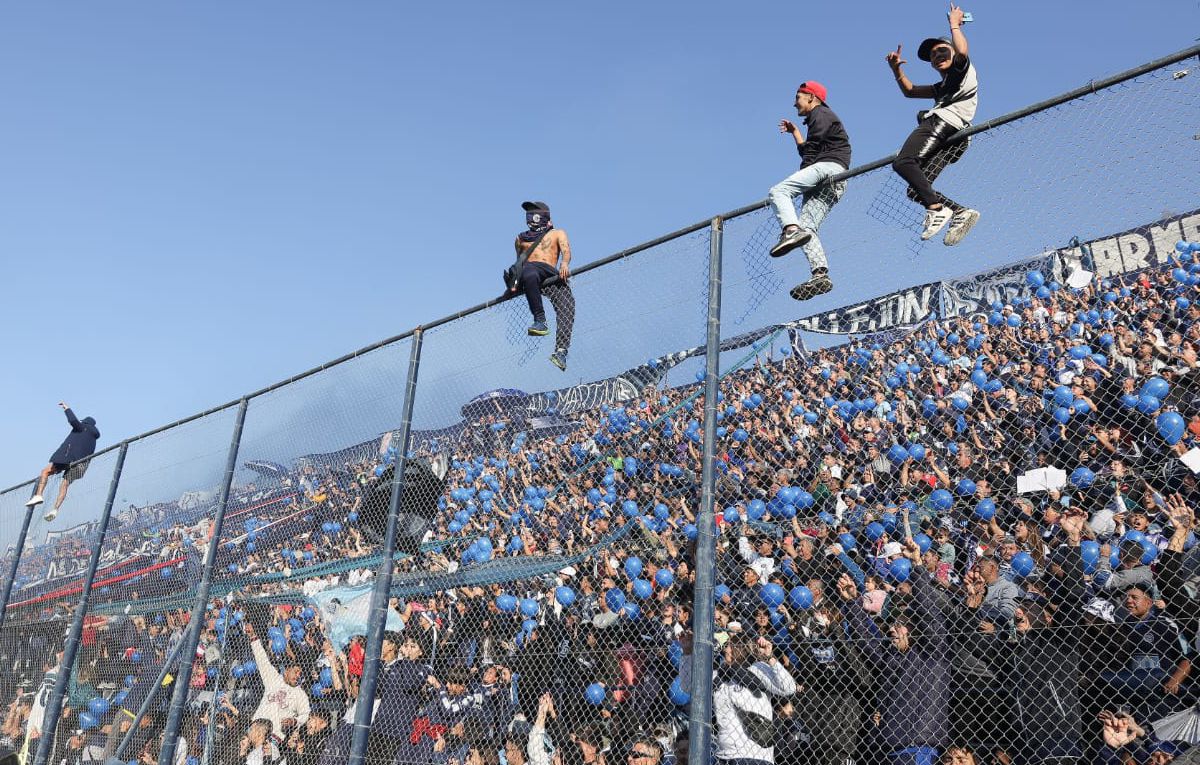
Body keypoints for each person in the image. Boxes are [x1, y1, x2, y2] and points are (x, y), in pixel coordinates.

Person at [884, 4, 981, 245]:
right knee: (916, 188)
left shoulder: (961, 69)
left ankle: (937, 209)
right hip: (955, 139)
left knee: (904, 161)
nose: (936, 55)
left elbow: (962, 52)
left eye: (941, 50)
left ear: (952, 52)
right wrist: (897, 71)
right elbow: (910, 91)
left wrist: (954, 26)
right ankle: (959, 212)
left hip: (944, 124)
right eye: (932, 55)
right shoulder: (944, 85)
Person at [766, 81, 852, 301]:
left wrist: (805, 173)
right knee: (808, 228)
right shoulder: (820, 118)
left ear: (811, 97)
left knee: (779, 191)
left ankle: (790, 230)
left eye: (798, 97)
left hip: (827, 169)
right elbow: (811, 149)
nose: (795, 103)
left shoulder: (821, 113)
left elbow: (812, 152)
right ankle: (820, 274)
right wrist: (796, 134)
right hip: (835, 179)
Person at [510, 201, 575, 371]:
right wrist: (515, 281)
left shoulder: (557, 233)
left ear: (543, 215)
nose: (530, 216)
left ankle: (561, 351)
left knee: (567, 305)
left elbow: (566, 251)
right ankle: (540, 320)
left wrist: (564, 264)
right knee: (529, 271)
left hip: (550, 273)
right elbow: (519, 262)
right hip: (532, 274)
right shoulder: (520, 238)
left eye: (533, 212)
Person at [26, 402, 100, 521]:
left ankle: (38, 495)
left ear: (85, 422)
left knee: (45, 471)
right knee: (64, 485)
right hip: (81, 466)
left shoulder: (83, 427)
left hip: (68, 459)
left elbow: (73, 421)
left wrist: (67, 408)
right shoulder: (93, 439)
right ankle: (55, 509)